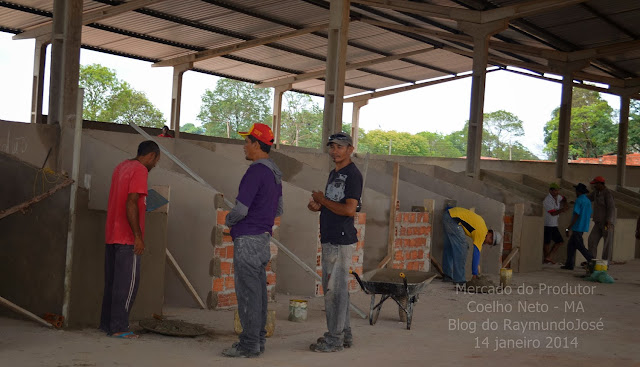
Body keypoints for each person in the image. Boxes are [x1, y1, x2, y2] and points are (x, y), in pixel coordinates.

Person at [222, 123, 283, 358]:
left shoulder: (255, 171)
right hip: (262, 238)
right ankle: (257, 340)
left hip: (247, 238)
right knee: (258, 292)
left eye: (247, 142)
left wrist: (229, 219)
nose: (244, 146)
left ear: (257, 144)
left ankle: (248, 344)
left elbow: (241, 209)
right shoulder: (275, 173)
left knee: (248, 292)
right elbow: (279, 208)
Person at [307, 132, 362, 353]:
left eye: (340, 147)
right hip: (331, 236)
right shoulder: (334, 173)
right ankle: (344, 334)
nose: (334, 151)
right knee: (338, 289)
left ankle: (334, 338)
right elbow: (334, 203)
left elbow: (349, 210)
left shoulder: (352, 175)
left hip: (340, 239)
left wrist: (322, 200)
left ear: (350, 149)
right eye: (332, 147)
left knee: (334, 291)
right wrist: (318, 205)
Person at [99, 140, 160, 339]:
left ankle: (107, 324)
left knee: (113, 283)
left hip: (112, 235)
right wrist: (138, 236)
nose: (155, 165)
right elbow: (131, 202)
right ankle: (119, 327)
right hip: (126, 237)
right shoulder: (140, 170)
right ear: (151, 156)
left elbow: (128, 200)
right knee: (127, 284)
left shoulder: (121, 167)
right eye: (156, 161)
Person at [441, 206, 501, 285]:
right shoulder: (482, 234)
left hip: (448, 215)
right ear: (490, 234)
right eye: (489, 241)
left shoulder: (482, 225)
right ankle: (459, 280)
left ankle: (447, 275)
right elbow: (476, 254)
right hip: (452, 220)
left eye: (489, 243)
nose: (487, 243)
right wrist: (475, 273)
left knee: (450, 247)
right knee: (462, 248)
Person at [561, 183, 594, 270]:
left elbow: (576, 214)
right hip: (583, 226)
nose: (575, 192)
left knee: (580, 246)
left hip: (577, 227)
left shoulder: (579, 200)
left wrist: (569, 227)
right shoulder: (587, 201)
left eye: (576, 190)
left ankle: (593, 261)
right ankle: (569, 264)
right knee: (571, 246)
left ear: (578, 191)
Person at [587, 176, 616, 261]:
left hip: (607, 223)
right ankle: (592, 261)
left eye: (595, 184)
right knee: (592, 240)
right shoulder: (596, 192)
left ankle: (605, 263)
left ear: (600, 184)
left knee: (607, 244)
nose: (594, 186)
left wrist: (609, 220)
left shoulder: (607, 193)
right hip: (598, 222)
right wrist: (578, 199)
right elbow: (588, 198)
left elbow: (611, 208)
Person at [542, 182, 568, 264]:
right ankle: (547, 258)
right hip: (548, 223)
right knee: (547, 242)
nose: (557, 192)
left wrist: (565, 204)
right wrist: (563, 209)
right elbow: (553, 213)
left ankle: (548, 257)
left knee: (560, 241)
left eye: (557, 190)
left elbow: (564, 198)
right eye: (555, 190)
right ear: (550, 191)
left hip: (554, 224)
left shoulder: (558, 197)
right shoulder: (547, 200)